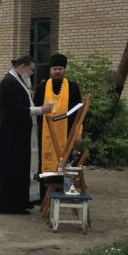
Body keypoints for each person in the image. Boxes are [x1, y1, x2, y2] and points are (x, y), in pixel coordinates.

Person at [0, 55, 53, 214]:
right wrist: (40, 110)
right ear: (22, 67)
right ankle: (10, 204)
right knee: (11, 167)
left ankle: (17, 202)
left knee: (18, 167)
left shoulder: (16, 81)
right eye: (31, 70)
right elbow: (12, 109)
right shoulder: (10, 82)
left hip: (15, 133)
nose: (32, 73)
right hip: (10, 134)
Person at [33, 53, 83, 198]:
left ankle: (64, 193)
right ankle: (44, 196)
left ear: (64, 70)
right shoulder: (42, 87)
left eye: (60, 69)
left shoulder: (73, 87)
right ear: (50, 70)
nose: (57, 72)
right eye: (55, 69)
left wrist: (78, 133)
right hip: (45, 135)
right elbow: (36, 111)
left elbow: (79, 113)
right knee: (45, 162)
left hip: (67, 133)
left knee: (65, 162)